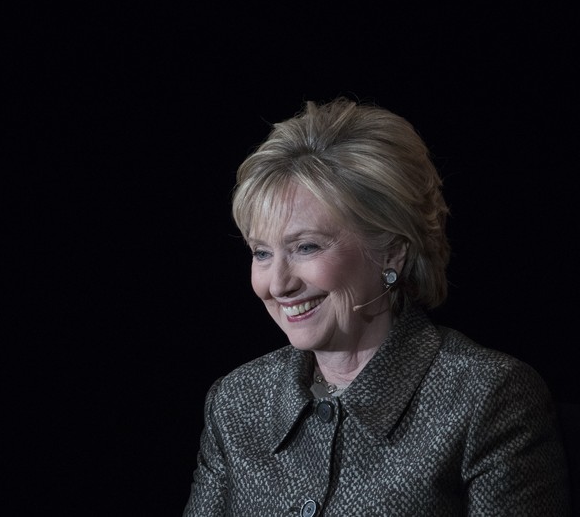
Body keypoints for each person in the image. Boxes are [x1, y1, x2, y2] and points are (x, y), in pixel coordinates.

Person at [182, 97, 571, 515]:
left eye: (306, 247)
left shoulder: (487, 397)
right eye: (261, 253)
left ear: (391, 253)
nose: (278, 284)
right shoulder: (236, 401)